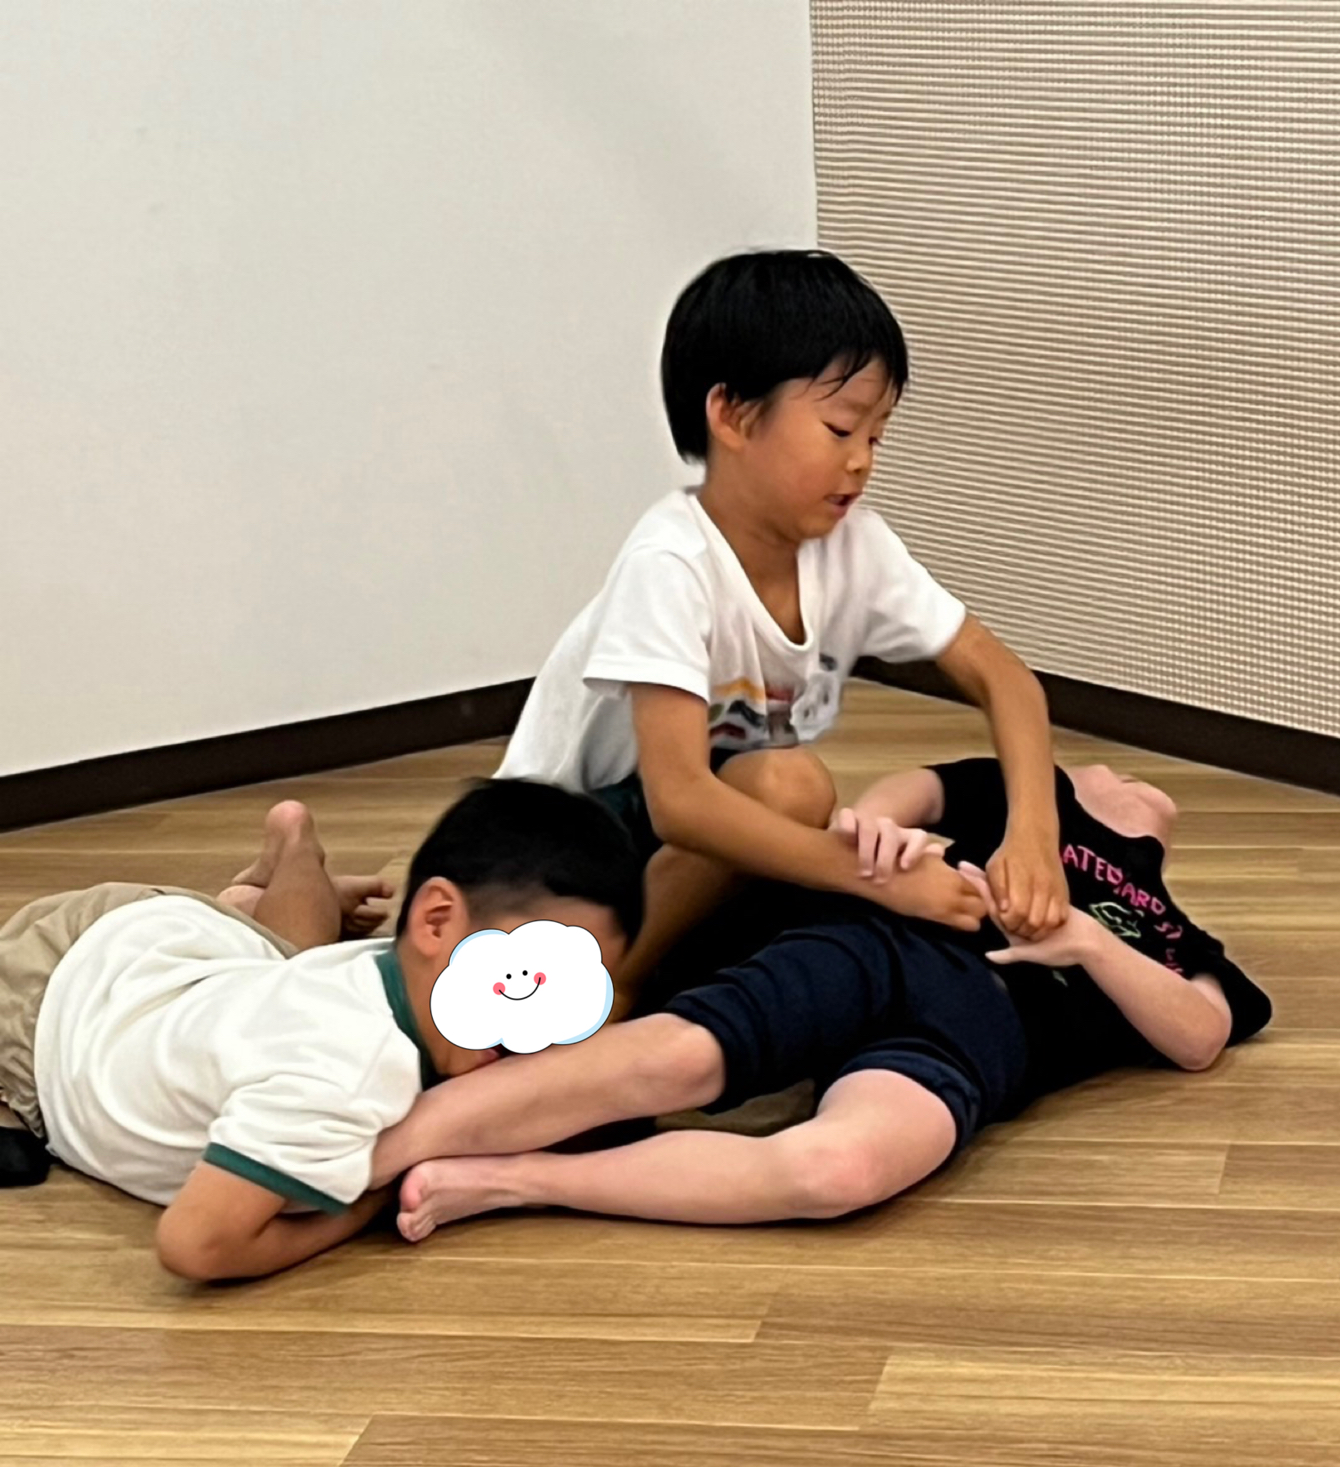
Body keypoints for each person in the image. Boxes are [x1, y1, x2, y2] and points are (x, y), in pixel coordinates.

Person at [497, 250, 1069, 1015]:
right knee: (790, 790)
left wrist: (1032, 836)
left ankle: (663, 960)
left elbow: (1002, 677)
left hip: (665, 850)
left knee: (794, 791)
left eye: (877, 436)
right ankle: (617, 980)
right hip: (549, 848)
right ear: (733, 416)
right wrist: (875, 877)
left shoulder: (852, 545)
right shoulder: (671, 562)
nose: (862, 462)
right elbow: (679, 801)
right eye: (840, 429)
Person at [370, 759, 1272, 1237]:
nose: (1138, 784)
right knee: (680, 1057)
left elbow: (1201, 1034)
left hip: (979, 1041)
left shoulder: (1172, 930)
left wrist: (1084, 939)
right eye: (1114, 773)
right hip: (882, 941)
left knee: (838, 1173)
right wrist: (880, 838)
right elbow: (902, 794)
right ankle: (360, 1160)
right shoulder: (1026, 798)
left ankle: (518, 1180)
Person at [0, 782, 643, 1280]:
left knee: (289, 960)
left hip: (184, 950)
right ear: (436, 921)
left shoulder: (400, 981)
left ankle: (281, 865)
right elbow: (197, 1245)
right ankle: (276, 872)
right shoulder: (342, 1076)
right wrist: (359, 1207)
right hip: (51, 992)